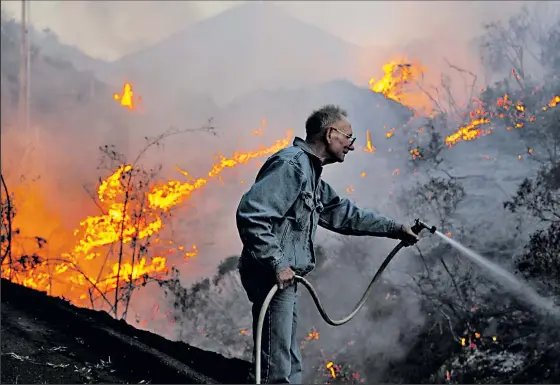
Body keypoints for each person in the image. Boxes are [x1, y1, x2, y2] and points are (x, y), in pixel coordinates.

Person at [236, 104, 419, 384]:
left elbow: (345, 215)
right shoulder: (291, 165)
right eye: (349, 138)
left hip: (284, 278)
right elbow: (252, 215)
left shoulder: (312, 176)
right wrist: (277, 262)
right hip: (271, 276)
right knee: (276, 368)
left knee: (288, 358)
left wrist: (395, 229)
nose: (352, 146)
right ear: (330, 133)